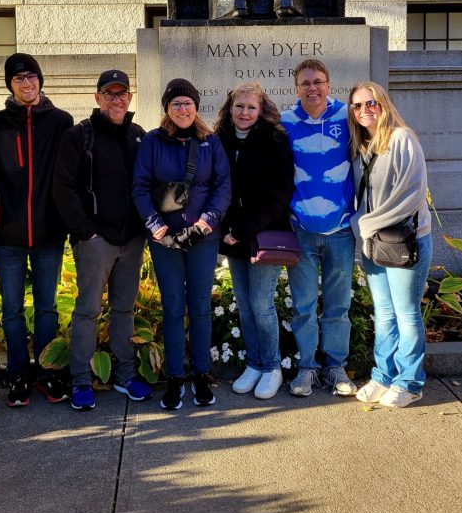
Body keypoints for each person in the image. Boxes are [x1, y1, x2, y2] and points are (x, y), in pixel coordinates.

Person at [53, 70, 151, 411]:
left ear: (130, 97)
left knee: (123, 309)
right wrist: (87, 232)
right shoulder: (78, 136)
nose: (117, 99)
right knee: (88, 311)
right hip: (96, 241)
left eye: (122, 93)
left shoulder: (138, 136)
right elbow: (63, 189)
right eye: (109, 94)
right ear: (97, 98)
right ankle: (81, 379)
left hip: (132, 239)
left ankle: (124, 373)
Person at [133, 78, 231, 411]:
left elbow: (223, 186)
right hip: (166, 240)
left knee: (200, 308)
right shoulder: (152, 141)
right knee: (174, 308)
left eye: (187, 103)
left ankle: (200, 374)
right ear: (167, 109)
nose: (182, 109)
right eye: (176, 104)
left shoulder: (210, 141)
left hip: (203, 237)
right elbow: (140, 188)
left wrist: (208, 221)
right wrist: (156, 228)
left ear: (196, 106)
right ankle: (175, 377)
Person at [0, 53, 74, 408]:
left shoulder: (61, 121)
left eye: (32, 77)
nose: (26, 83)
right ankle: (19, 374)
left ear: (40, 80)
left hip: (49, 233)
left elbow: (69, 177)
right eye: (19, 79)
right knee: (11, 309)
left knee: (48, 307)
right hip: (8, 235)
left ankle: (48, 371)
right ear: (10, 84)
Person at [349, 82, 432, 408]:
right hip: (374, 244)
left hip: (403, 241)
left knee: (407, 314)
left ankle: (410, 382)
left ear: (383, 104)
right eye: (357, 106)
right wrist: (364, 228)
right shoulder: (364, 145)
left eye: (371, 103)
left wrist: (364, 225)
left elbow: (410, 196)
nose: (364, 110)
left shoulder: (402, 139)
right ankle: (384, 375)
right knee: (383, 314)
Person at [280, 59, 357, 397]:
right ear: (296, 88)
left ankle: (335, 367)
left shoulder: (348, 117)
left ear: (329, 85)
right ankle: (307, 368)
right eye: (306, 83)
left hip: (341, 230)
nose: (313, 88)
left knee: (339, 305)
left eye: (319, 82)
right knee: (304, 305)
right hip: (302, 231)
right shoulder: (284, 122)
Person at [215, 82, 294, 400]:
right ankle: (254, 363)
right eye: (239, 106)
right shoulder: (219, 138)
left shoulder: (275, 140)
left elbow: (279, 194)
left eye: (251, 107)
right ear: (230, 108)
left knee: (262, 305)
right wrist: (225, 227)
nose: (244, 112)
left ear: (260, 110)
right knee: (245, 306)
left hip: (263, 233)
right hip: (232, 235)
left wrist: (242, 228)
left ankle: (272, 366)